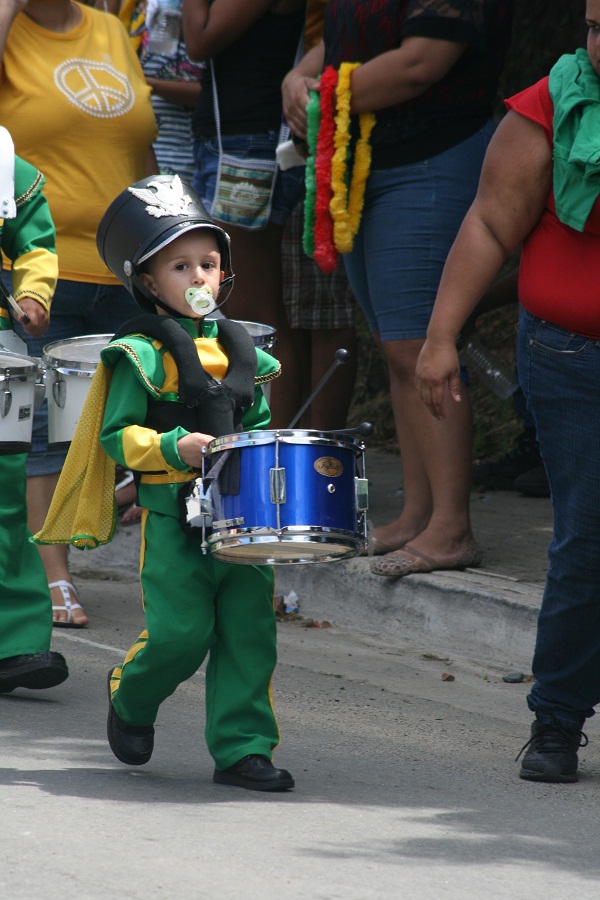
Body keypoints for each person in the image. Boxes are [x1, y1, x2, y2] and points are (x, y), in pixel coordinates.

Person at [36, 174, 293, 790]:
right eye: (181, 266)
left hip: (242, 518)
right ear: (149, 282)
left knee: (249, 636)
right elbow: (115, 436)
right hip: (173, 517)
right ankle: (130, 694)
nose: (200, 277)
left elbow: (256, 422)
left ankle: (243, 750)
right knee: (181, 634)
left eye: (209, 263)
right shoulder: (139, 354)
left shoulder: (243, 350)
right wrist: (175, 446)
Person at [415, 0, 600, 783]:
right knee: (588, 540)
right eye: (594, 28)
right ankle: (556, 721)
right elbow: (490, 225)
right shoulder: (551, 104)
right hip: (571, 355)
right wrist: (439, 339)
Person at [282, 0, 515, 577]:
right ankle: (418, 515)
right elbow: (342, 37)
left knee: (421, 346)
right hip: (366, 158)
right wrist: (297, 74)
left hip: (433, 159)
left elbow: (422, 62)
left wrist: (323, 95)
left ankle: (451, 528)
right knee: (398, 347)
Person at [0, 0, 158, 626]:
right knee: (37, 433)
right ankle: (52, 575)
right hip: (41, 276)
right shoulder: (10, 29)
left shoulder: (114, 31)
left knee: (121, 423)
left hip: (124, 270)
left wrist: (164, 244)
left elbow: (139, 146)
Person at [182, 0, 306, 429]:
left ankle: (274, 453)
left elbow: (200, 38)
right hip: (235, 142)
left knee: (253, 311)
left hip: (249, 147)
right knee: (244, 310)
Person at [0, 131, 68, 693]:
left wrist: (34, 294)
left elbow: (35, 244)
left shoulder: (7, 166)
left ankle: (16, 642)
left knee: (5, 496)